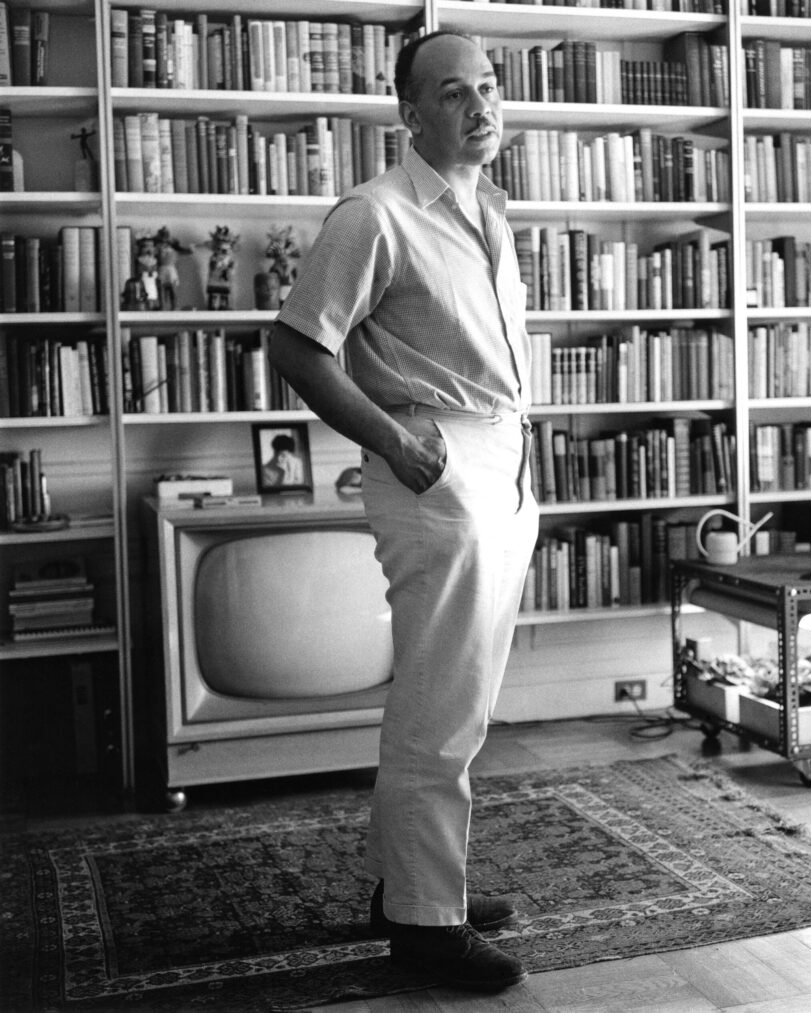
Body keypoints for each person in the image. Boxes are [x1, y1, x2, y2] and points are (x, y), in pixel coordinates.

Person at [268, 31, 538, 992]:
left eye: (490, 88)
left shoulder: (488, 205)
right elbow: (299, 349)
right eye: (454, 92)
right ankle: (426, 929)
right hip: (437, 464)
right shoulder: (374, 216)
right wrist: (393, 441)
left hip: (501, 462)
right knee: (440, 699)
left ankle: (416, 887)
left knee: (462, 697)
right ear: (410, 112)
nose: (480, 106)